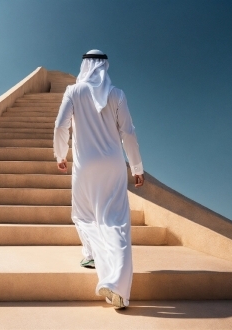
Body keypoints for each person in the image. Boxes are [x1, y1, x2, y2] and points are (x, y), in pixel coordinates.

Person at [53, 49, 145, 309]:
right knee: (115, 222)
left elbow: (61, 125)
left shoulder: (73, 91)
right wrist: (137, 167)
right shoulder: (116, 94)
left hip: (85, 166)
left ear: (84, 65)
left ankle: (97, 261)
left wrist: (60, 154)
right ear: (105, 66)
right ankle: (112, 278)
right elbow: (128, 133)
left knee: (83, 215)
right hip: (114, 165)